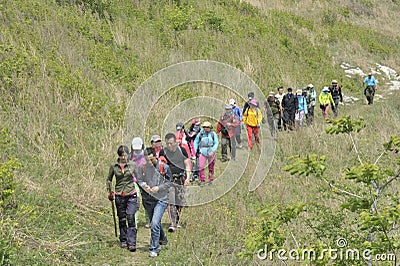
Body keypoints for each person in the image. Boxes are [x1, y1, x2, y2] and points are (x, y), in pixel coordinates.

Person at [137, 147, 173, 258]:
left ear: (155, 157)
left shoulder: (164, 167)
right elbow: (138, 180)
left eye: (151, 160)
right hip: (148, 200)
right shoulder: (142, 168)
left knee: (155, 223)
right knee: (154, 222)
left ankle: (154, 248)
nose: (150, 163)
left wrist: (159, 188)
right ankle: (162, 238)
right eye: (147, 160)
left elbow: (169, 182)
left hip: (161, 199)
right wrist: (144, 186)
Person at [107, 145, 139, 252]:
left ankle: (132, 242)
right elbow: (109, 179)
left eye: (125, 155)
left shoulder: (133, 165)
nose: (124, 158)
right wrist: (109, 191)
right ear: (119, 156)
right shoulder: (114, 166)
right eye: (122, 156)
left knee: (130, 217)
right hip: (119, 195)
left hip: (131, 194)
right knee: (122, 218)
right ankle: (123, 240)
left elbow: (138, 178)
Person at [159, 133, 191, 232]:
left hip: (180, 178)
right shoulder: (163, 152)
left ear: (175, 142)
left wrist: (188, 178)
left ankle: (177, 220)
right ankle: (172, 223)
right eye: (167, 143)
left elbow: (187, 165)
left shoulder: (182, 151)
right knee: (171, 200)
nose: (169, 145)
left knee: (180, 201)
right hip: (169, 180)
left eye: (171, 143)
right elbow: (160, 166)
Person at [128, 137, 148, 229]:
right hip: (134, 181)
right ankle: (134, 223)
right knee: (136, 200)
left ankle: (149, 220)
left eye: (138, 149)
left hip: (145, 180)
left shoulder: (146, 155)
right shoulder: (130, 156)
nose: (137, 150)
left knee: (147, 200)